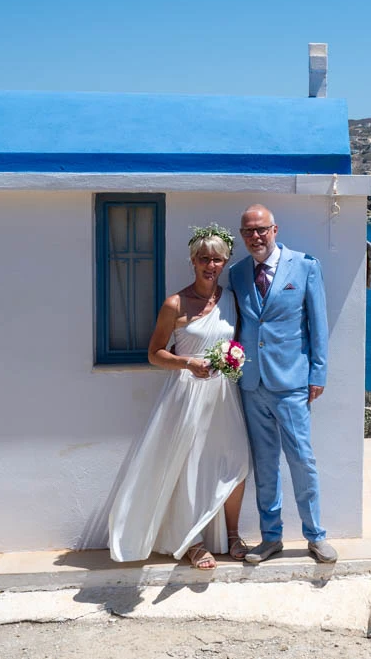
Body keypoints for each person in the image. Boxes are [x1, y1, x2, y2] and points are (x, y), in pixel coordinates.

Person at [106, 225, 251, 569]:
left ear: (225, 261)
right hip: (186, 395)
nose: (210, 265)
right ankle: (193, 541)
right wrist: (187, 362)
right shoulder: (175, 303)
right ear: (192, 261)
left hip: (223, 393)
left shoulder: (231, 299)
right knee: (187, 466)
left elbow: (238, 341)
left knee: (237, 462)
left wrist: (233, 358)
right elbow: (154, 353)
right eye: (203, 259)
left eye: (217, 259)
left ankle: (233, 534)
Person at [231, 204, 336, 563]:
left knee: (302, 460)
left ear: (275, 230)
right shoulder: (238, 273)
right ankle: (270, 537)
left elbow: (318, 325)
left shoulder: (304, 266)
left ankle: (316, 535)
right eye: (248, 231)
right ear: (242, 235)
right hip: (252, 384)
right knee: (265, 464)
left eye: (261, 229)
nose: (255, 237)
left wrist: (318, 373)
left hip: (292, 383)